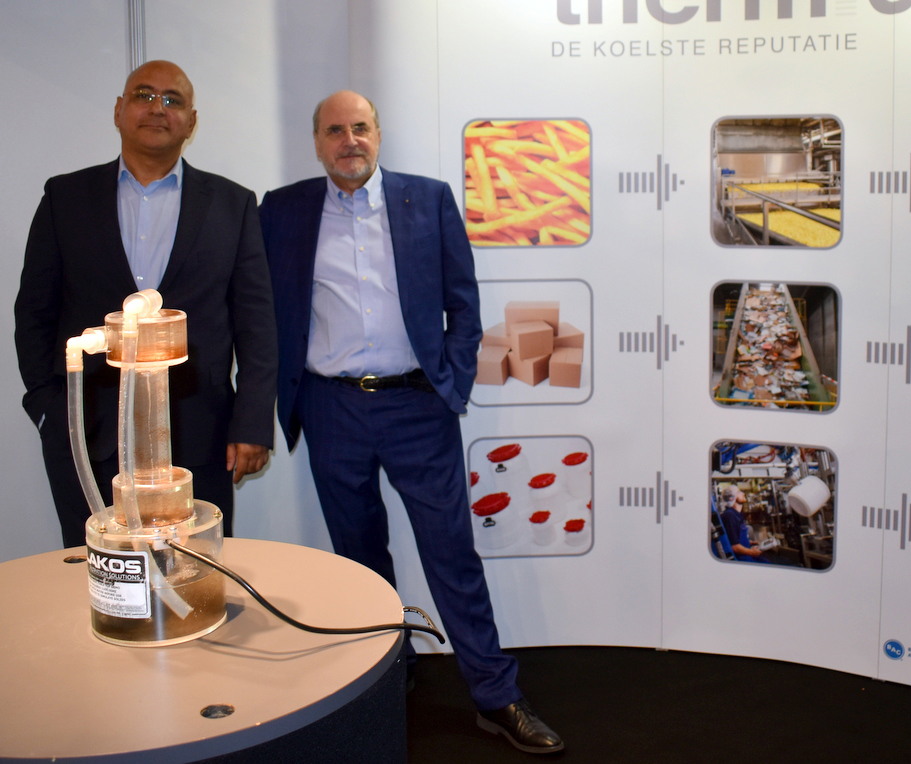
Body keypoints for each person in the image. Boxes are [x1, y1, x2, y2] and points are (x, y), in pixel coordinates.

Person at [259, 90, 563, 755]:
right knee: (359, 557)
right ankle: (385, 675)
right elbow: (263, 308)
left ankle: (496, 694)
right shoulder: (282, 211)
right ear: (317, 142)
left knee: (451, 553)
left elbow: (463, 303)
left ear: (378, 133)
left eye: (359, 128)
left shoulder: (427, 199)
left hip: (418, 407)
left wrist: (451, 386)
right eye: (334, 130)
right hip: (332, 406)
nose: (349, 141)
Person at [14, 60, 276, 548]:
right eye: (144, 95)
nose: (158, 108)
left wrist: (253, 421)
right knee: (99, 565)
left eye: (173, 100)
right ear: (119, 110)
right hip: (86, 428)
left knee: (194, 569)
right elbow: (34, 311)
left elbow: (256, 323)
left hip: (200, 431)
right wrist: (48, 408)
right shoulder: (65, 197)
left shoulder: (232, 204)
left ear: (191, 122)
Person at [720, 486, 766, 562]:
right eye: (739, 492)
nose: (743, 493)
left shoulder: (736, 514)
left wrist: (750, 542)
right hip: (742, 559)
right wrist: (752, 552)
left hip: (746, 553)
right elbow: (734, 547)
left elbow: (736, 537)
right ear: (731, 498)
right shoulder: (730, 515)